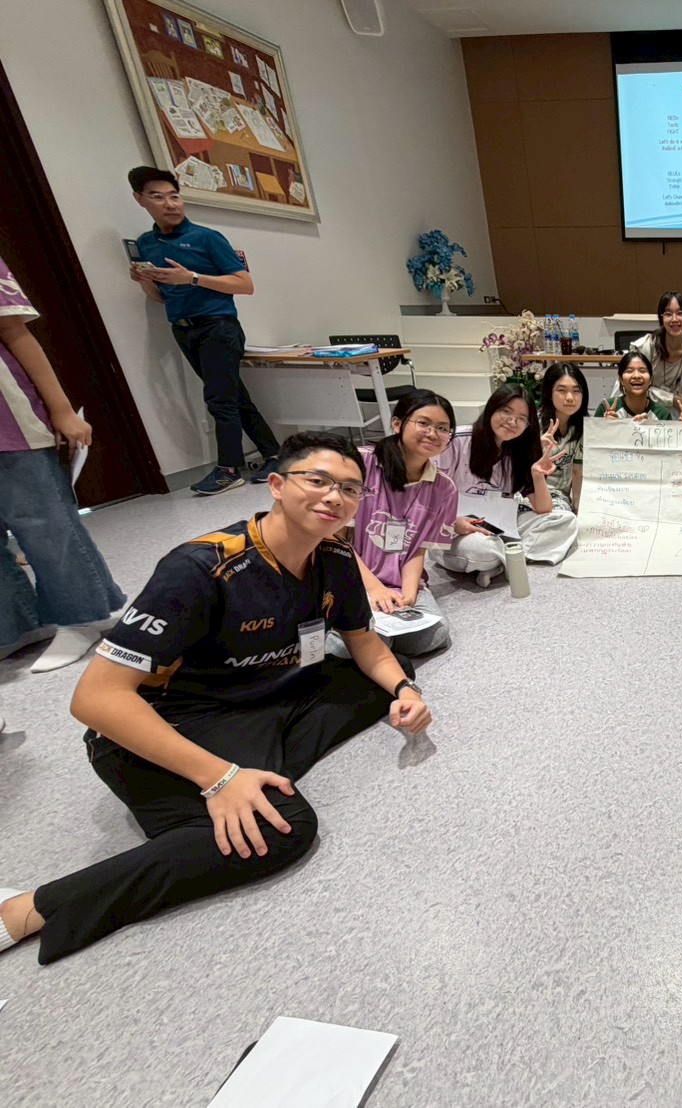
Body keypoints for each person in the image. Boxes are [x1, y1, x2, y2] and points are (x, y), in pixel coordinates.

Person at [0, 432, 433, 964]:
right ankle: (30, 909)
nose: (334, 497)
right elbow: (94, 699)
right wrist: (219, 778)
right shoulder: (200, 567)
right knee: (284, 830)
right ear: (276, 485)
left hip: (269, 693)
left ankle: (239, 785)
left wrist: (405, 692)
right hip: (177, 720)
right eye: (318, 481)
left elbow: (365, 644)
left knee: (393, 670)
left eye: (349, 489)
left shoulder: (336, 556)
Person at [0, 254, 126, 672]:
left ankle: (80, 620)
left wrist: (61, 409)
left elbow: (16, 332)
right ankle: (17, 626)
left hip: (9, 421)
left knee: (44, 525)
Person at [127, 167, 280, 495]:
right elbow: (160, 298)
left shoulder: (207, 238)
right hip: (183, 329)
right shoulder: (146, 243)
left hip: (218, 327)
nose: (170, 204)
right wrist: (144, 281)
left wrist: (193, 278)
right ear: (140, 200)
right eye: (158, 197)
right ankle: (275, 455)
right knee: (234, 397)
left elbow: (245, 284)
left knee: (219, 400)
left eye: (174, 196)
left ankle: (229, 469)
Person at [347, 391, 459, 656]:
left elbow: (417, 550)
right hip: (351, 577)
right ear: (397, 424)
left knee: (433, 635)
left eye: (442, 428)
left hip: (399, 583)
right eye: (423, 423)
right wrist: (375, 589)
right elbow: (336, 539)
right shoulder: (361, 463)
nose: (432, 434)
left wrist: (409, 595)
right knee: (367, 640)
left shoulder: (445, 488)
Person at [438, 384, 578, 585]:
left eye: (522, 418)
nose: (512, 422)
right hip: (455, 528)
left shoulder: (519, 451)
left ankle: (500, 563)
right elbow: (427, 500)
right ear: (492, 408)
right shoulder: (456, 441)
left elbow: (544, 509)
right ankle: (507, 557)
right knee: (481, 549)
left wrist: (537, 475)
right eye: (506, 411)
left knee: (566, 521)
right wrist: (454, 523)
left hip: (498, 525)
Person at [629, 292, 682, 409]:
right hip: (637, 410)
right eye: (668, 314)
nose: (674, 319)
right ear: (661, 319)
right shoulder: (645, 347)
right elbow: (634, 388)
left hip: (670, 416)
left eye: (680, 313)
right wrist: (671, 399)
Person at [540, 365, 588, 509]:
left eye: (576, 391)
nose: (570, 398)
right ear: (549, 393)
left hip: (560, 498)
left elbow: (578, 471)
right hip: (530, 494)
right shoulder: (534, 424)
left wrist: (578, 510)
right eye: (562, 390)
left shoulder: (582, 427)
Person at [594, 350, 674, 421]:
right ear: (621, 380)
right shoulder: (606, 409)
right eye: (629, 371)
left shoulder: (662, 415)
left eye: (642, 371)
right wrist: (606, 426)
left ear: (650, 380)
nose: (636, 376)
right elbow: (593, 433)